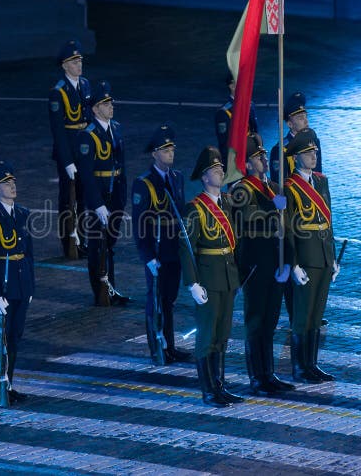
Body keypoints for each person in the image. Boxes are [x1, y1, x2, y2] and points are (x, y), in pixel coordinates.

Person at [229, 133, 294, 395]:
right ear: (247, 162)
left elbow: (287, 228)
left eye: (264, 155)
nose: (264, 160)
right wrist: (271, 206)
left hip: (276, 264)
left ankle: (269, 373)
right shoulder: (243, 189)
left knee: (271, 322)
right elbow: (246, 217)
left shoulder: (275, 188)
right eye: (258, 156)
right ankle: (257, 377)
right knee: (255, 323)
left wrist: (288, 261)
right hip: (255, 265)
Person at [179, 146, 242, 408]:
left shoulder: (227, 202)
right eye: (215, 170)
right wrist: (192, 283)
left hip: (227, 278)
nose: (220, 172)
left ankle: (220, 385)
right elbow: (186, 247)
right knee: (207, 337)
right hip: (208, 280)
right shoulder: (194, 208)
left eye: (221, 168)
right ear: (204, 177)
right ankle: (208, 390)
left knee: (222, 335)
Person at [131, 124, 191, 364]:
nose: (170, 154)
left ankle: (170, 346)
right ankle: (158, 348)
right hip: (156, 251)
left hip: (173, 248)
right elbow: (139, 223)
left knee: (169, 299)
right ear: (154, 153)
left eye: (172, 149)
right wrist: (147, 256)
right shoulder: (143, 183)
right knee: (156, 300)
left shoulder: (177, 178)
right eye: (165, 150)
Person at [283, 130, 338, 384]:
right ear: (295, 157)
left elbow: (328, 222)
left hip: (324, 257)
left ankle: (312, 364)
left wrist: (333, 257)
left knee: (316, 315)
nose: (313, 156)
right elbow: (288, 229)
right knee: (303, 316)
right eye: (307, 153)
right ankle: (299, 367)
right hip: (305, 258)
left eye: (314, 151)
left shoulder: (321, 181)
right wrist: (293, 264)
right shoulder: (289, 187)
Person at [0, 161, 35, 405]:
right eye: (5, 183)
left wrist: (30, 285)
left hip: (20, 283)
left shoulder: (21, 213)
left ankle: (8, 384)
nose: (12, 186)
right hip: (2, 286)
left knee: (14, 337)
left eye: (13, 182)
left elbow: (29, 252)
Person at [269, 91, 322, 326]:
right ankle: (294, 314)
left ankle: (312, 311)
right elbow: (277, 185)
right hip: (293, 214)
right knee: (293, 259)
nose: (305, 119)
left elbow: (318, 176)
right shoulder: (280, 150)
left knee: (312, 260)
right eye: (299, 117)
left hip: (313, 212)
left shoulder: (314, 141)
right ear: (289, 123)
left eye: (305, 115)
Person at [76, 80, 129, 306]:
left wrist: (122, 195)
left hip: (115, 191)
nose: (111, 106)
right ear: (95, 109)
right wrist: (97, 204)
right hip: (100, 194)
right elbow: (86, 174)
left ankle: (111, 288)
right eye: (106, 104)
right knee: (99, 245)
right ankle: (102, 291)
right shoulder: (88, 135)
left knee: (110, 243)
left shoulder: (115, 128)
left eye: (111, 103)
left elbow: (121, 164)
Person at [49, 40, 92, 259]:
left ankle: (82, 239)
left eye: (80, 60)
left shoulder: (85, 85)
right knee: (69, 200)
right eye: (74, 61)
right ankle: (69, 244)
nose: (78, 64)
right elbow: (58, 130)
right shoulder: (59, 92)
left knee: (84, 199)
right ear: (65, 66)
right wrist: (67, 161)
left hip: (84, 151)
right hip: (69, 152)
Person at [215, 72, 258, 162]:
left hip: (251, 158)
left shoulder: (250, 105)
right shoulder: (223, 113)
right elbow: (224, 144)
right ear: (232, 86)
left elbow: (255, 132)